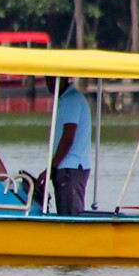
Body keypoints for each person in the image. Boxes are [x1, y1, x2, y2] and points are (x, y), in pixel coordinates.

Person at [49, 80, 92, 214]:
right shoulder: (67, 99)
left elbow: (68, 137)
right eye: (46, 78)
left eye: (51, 78)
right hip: (69, 166)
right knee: (67, 213)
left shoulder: (70, 100)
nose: (48, 83)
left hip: (70, 168)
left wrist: (52, 167)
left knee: (70, 217)